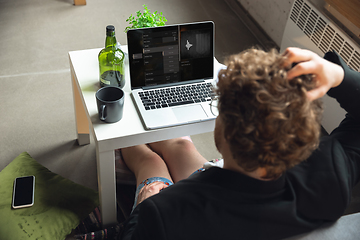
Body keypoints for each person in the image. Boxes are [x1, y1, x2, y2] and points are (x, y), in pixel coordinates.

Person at [119, 47, 360, 240]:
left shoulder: (162, 213)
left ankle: (131, 145)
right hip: (234, 202)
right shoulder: (332, 178)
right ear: (301, 138)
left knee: (149, 162)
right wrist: (339, 76)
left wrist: (145, 204)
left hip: (188, 206)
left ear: (222, 131)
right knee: (181, 145)